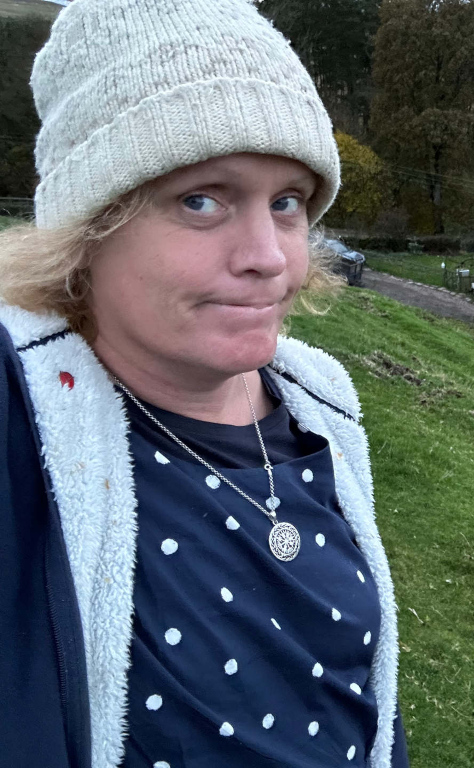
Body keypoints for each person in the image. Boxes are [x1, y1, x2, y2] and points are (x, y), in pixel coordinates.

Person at [0, 1, 407, 766]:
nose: (270, 257)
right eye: (201, 200)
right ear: (87, 231)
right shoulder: (22, 421)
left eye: (287, 202)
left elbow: (361, 696)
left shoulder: (320, 403)